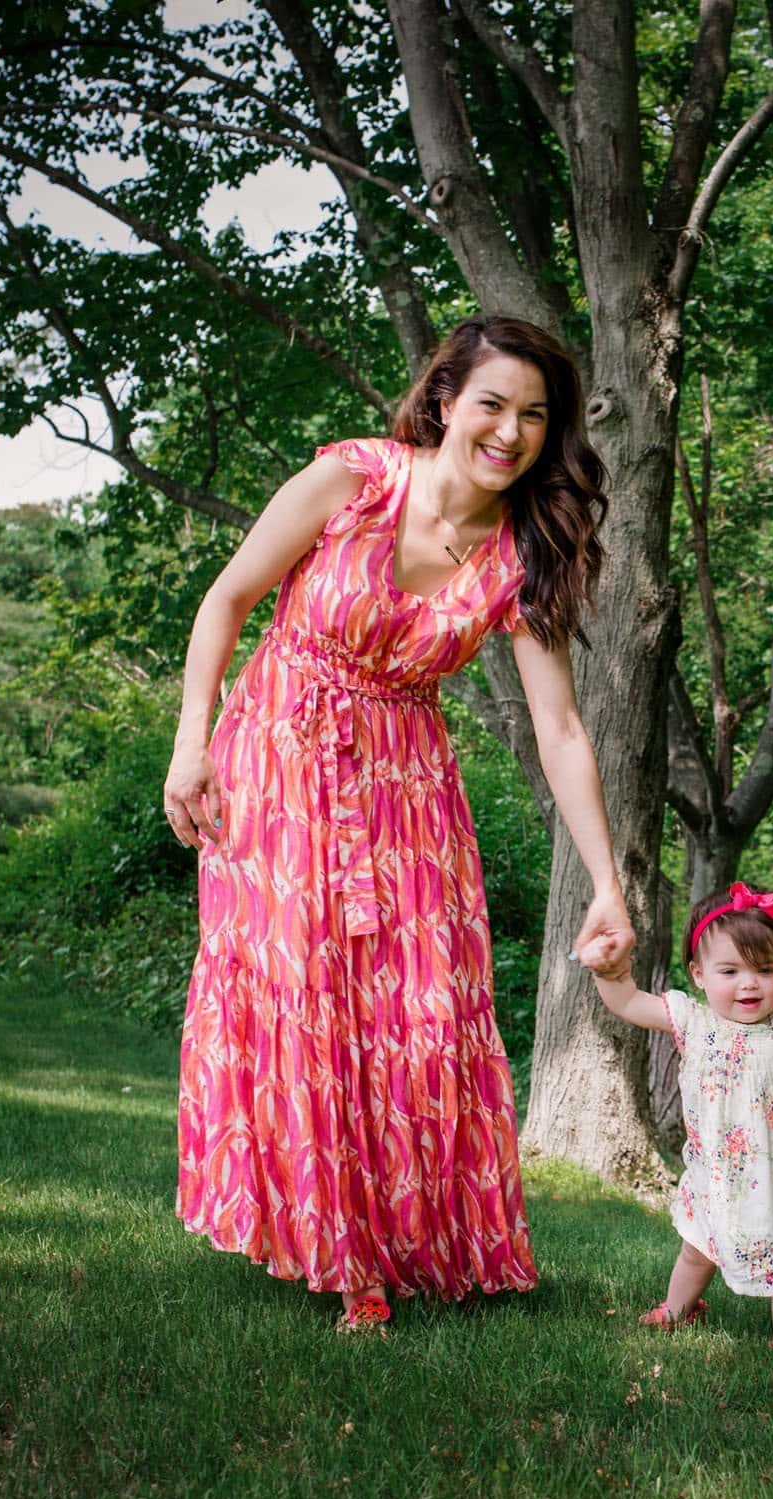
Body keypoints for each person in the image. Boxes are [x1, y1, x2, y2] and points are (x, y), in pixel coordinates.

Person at [164, 314, 633, 1332]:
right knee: (305, 1002)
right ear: (446, 401)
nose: (509, 431)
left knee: (420, 1013)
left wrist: (606, 881)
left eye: (533, 416)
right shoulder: (353, 479)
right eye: (492, 405)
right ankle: (349, 1266)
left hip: (406, 790)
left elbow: (559, 728)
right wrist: (190, 741)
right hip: (278, 763)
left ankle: (415, 1241)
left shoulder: (523, 554)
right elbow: (229, 597)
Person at [580, 882, 773, 1358]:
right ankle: (676, 1308)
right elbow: (627, 1003)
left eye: (765, 970)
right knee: (698, 1247)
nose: (749, 983)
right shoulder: (693, 1021)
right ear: (699, 974)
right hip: (717, 1173)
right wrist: (611, 972)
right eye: (730, 970)